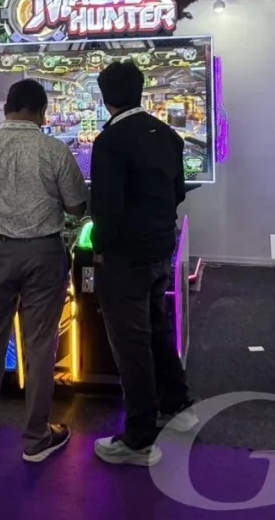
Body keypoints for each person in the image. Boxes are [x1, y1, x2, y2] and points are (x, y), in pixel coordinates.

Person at [0, 78, 88, 463]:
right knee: (40, 347)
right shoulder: (55, 150)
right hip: (43, 253)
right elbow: (76, 207)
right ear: (42, 111)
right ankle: (36, 438)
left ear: (6, 110)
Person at [89, 61, 195, 467]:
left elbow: (107, 209)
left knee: (131, 344)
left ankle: (139, 440)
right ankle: (177, 404)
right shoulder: (166, 134)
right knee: (156, 328)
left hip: (125, 257)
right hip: (159, 246)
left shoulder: (110, 142)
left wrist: (100, 248)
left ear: (105, 98)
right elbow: (178, 192)